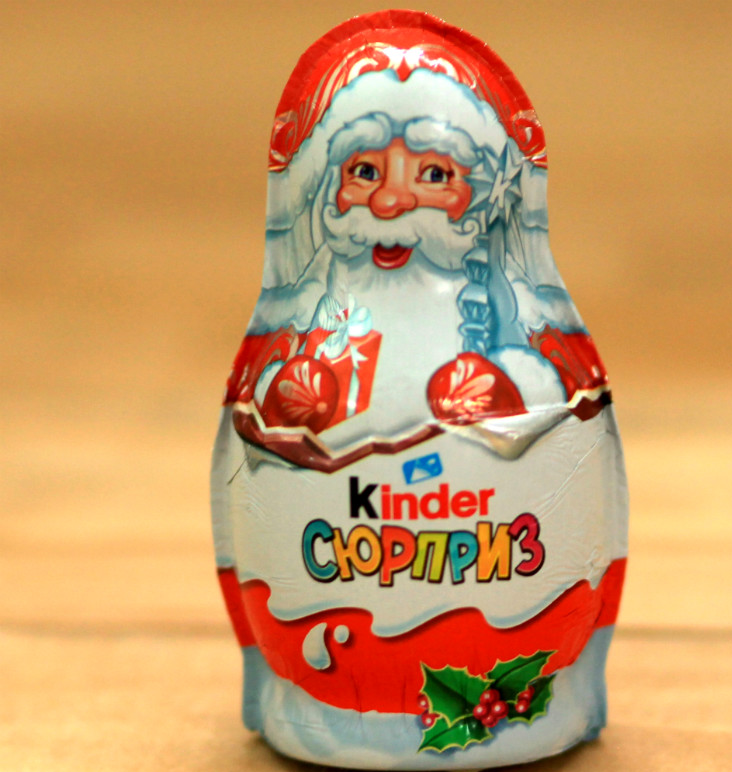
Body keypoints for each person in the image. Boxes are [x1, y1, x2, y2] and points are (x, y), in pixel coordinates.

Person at [226, 43, 609, 468]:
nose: (389, 202)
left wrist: (506, 394)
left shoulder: (495, 315)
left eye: (434, 175)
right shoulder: (321, 320)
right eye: (365, 172)